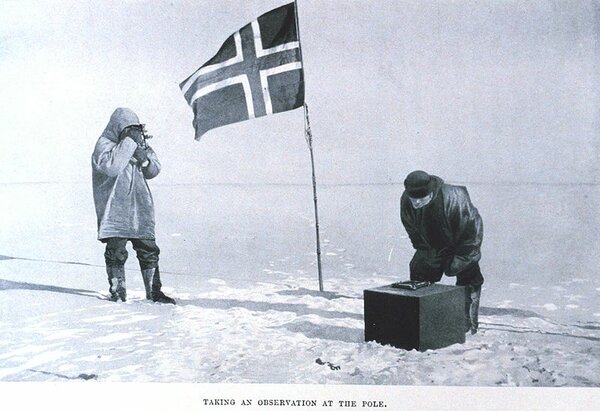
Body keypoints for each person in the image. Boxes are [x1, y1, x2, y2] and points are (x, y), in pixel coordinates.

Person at [91, 107, 175, 304]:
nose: (134, 133)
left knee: (149, 249)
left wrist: (144, 159)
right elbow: (112, 167)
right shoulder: (104, 145)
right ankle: (118, 291)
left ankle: (154, 292)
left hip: (139, 206)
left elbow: (154, 170)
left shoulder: (137, 144)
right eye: (129, 129)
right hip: (116, 209)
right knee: (116, 251)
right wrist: (130, 143)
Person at [400, 170, 483, 334]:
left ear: (430, 193)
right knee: (419, 269)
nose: (416, 203)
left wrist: (462, 258)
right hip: (432, 244)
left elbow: (472, 230)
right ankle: (425, 321)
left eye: (421, 199)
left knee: (469, 277)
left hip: (462, 242)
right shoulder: (407, 200)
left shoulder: (454, 198)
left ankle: (467, 325)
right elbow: (411, 228)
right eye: (413, 199)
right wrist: (424, 251)